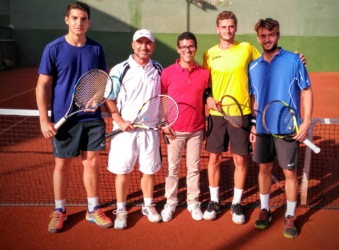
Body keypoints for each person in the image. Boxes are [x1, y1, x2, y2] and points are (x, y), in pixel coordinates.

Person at [203, 11, 306, 224]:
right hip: (216, 114)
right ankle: (214, 201)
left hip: (241, 114)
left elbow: (269, 58)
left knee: (240, 159)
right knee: (214, 158)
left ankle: (237, 203)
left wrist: (296, 60)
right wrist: (209, 97)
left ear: (236, 27)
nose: (227, 30)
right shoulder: (208, 54)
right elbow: (207, 84)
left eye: (231, 26)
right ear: (217, 28)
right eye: (223, 26)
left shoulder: (247, 49)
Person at [36, 2, 112, 233]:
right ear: (67, 20)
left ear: (89, 22)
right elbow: (42, 85)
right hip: (64, 120)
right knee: (62, 166)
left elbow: (103, 81)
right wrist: (43, 119)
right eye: (74, 18)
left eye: (83, 19)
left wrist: (97, 97)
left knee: (91, 164)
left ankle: (92, 208)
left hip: (91, 119)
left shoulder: (96, 49)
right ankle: (59, 210)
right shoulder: (53, 48)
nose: (79, 23)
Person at [249, 18, 313, 239]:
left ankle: (290, 214)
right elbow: (253, 98)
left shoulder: (294, 60)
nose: (267, 39)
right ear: (259, 38)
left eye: (271, 35)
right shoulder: (254, 66)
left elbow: (306, 90)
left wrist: (306, 122)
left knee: (289, 173)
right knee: (264, 170)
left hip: (287, 127)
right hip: (264, 128)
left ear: (277, 35)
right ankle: (265, 209)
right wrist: (253, 126)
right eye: (263, 35)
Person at [105, 29, 163, 230]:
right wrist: (118, 120)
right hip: (124, 131)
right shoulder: (119, 69)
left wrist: (161, 120)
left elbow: (162, 97)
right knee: (123, 172)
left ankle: (148, 206)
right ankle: (121, 210)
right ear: (133, 45)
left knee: (148, 171)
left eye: (148, 43)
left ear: (153, 46)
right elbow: (109, 97)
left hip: (149, 131)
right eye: (140, 42)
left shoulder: (158, 69)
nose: (144, 46)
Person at [160, 32, 209, 222]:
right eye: (183, 47)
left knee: (193, 168)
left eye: (190, 47)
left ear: (195, 48)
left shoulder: (204, 73)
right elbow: (162, 98)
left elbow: (207, 95)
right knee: (172, 168)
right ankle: (171, 202)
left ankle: (193, 202)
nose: (187, 50)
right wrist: (165, 123)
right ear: (178, 49)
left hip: (196, 129)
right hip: (174, 130)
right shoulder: (167, 72)